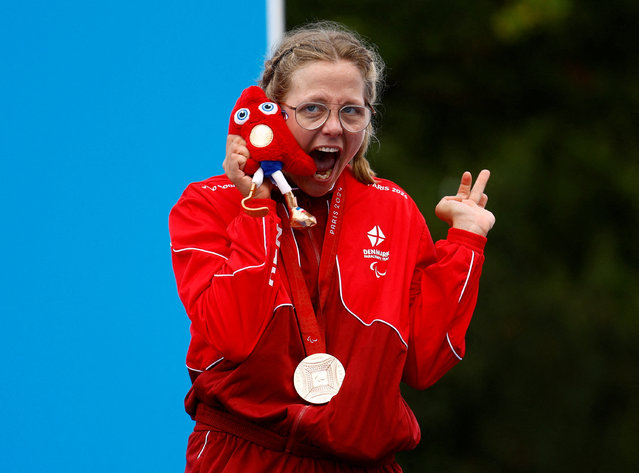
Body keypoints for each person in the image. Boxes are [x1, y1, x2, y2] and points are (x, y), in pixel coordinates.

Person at [169, 21, 495, 473]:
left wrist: (465, 243)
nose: (333, 128)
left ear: (370, 118)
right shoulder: (208, 204)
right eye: (313, 109)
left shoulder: (394, 208)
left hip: (363, 462)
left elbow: (425, 360)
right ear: (272, 114)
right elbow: (233, 334)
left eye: (352, 112)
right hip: (246, 457)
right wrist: (257, 204)